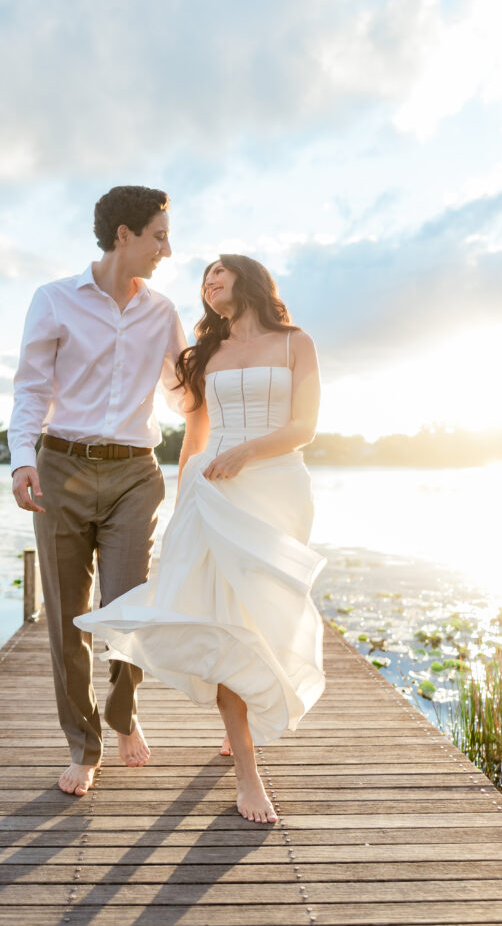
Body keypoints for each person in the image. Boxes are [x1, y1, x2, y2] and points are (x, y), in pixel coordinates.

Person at [76, 254, 326, 823]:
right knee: (223, 618)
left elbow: (304, 426)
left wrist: (246, 451)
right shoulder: (204, 353)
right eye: (204, 279)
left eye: (219, 273)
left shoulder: (295, 343)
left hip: (275, 486)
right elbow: (195, 432)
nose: (209, 283)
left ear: (249, 279)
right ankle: (247, 771)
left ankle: (244, 725)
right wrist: (184, 489)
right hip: (212, 488)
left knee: (261, 616)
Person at [8, 185, 186, 798]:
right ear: (124, 236)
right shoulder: (54, 300)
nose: (168, 247)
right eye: (159, 235)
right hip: (61, 466)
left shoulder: (163, 313)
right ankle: (85, 746)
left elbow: (184, 391)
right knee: (66, 616)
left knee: (128, 607)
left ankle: (122, 710)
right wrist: (20, 460)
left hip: (136, 471)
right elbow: (32, 388)